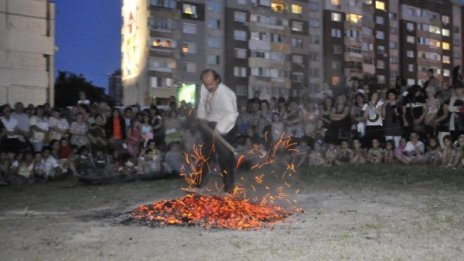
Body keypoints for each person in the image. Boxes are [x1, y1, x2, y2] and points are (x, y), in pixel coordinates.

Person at [192, 69, 238, 194]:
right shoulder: (204, 88)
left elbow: (232, 115)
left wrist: (220, 129)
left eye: (211, 84)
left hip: (226, 126)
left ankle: (229, 190)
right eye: (206, 84)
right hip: (210, 125)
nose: (208, 87)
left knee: (225, 158)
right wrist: (202, 118)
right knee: (204, 155)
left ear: (217, 80)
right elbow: (202, 103)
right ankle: (197, 186)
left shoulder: (226, 94)